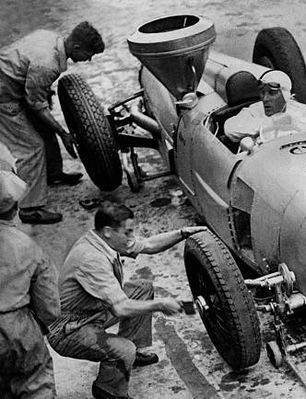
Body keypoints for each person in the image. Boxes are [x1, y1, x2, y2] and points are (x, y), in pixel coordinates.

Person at [47, 201, 206, 399]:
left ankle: (130, 354)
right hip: (70, 329)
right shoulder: (91, 258)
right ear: (108, 231)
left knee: (142, 288)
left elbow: (148, 245)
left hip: (94, 310)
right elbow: (121, 308)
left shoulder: (105, 239)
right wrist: (160, 305)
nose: (131, 238)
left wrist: (182, 233)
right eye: (128, 232)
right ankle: (108, 390)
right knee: (124, 350)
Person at [0, 21, 105, 224]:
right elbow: (35, 102)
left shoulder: (49, 36)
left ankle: (53, 174)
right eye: (88, 54)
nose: (89, 60)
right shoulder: (48, 64)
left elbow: (34, 89)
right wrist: (64, 133)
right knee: (31, 147)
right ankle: (29, 209)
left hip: (12, 84)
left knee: (44, 127)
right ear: (76, 47)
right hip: (3, 99)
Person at [0, 164, 61, 398]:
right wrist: (39, 329)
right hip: (17, 327)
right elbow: (49, 306)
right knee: (35, 383)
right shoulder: (28, 248)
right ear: (15, 208)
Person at [224, 70, 306, 144]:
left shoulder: (301, 110)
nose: (265, 98)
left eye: (272, 93)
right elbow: (229, 129)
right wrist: (270, 123)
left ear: (285, 95)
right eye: (262, 93)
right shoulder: (253, 110)